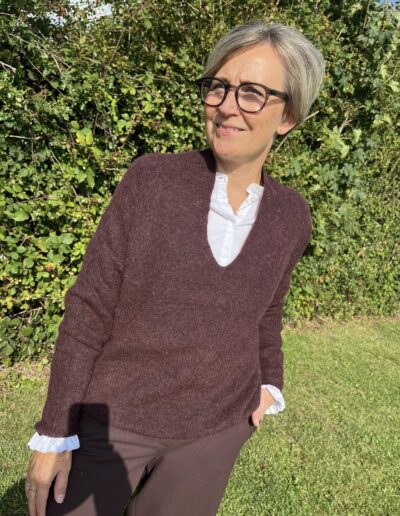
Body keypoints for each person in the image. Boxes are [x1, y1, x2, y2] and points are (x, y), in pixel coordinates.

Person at [25, 20, 324, 516]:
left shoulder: (292, 216)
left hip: (215, 431)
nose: (226, 106)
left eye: (252, 93)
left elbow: (268, 310)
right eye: (218, 87)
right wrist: (56, 431)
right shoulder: (152, 181)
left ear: (288, 115)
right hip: (114, 417)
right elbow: (90, 307)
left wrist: (270, 383)